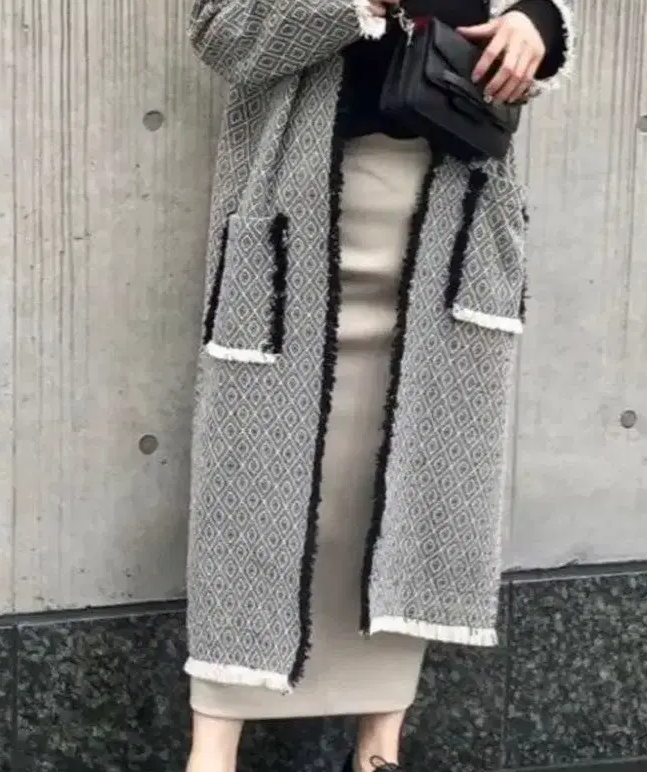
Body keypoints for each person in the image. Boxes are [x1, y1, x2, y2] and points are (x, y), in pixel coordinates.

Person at [183, 0, 575, 770]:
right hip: (293, 224)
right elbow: (223, 32)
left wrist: (536, 26)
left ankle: (378, 749)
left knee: (410, 493)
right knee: (252, 493)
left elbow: (546, 12)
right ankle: (213, 752)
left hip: (451, 229)